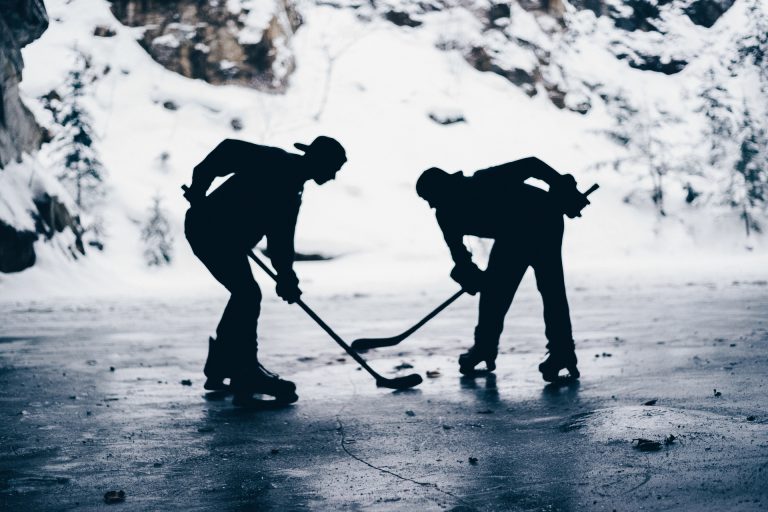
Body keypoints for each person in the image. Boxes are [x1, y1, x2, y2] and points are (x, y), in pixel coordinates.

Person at [183, 136, 347, 406]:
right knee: (247, 294)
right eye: (333, 168)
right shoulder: (275, 160)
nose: (333, 176)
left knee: (244, 294)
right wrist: (199, 191)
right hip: (208, 228)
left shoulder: (294, 189)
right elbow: (226, 149)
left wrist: (286, 278)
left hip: (227, 239)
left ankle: (221, 367)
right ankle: (245, 373)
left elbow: (281, 239)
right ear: (319, 162)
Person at [415, 157, 590, 382]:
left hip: (542, 219)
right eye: (428, 201)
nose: (432, 205)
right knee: (494, 294)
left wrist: (561, 187)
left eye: (433, 198)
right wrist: (468, 273)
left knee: (551, 289)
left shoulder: (484, 181)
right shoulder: (446, 214)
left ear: (450, 187)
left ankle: (562, 353)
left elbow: (532, 164)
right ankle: (484, 349)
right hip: (511, 236)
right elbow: (458, 253)